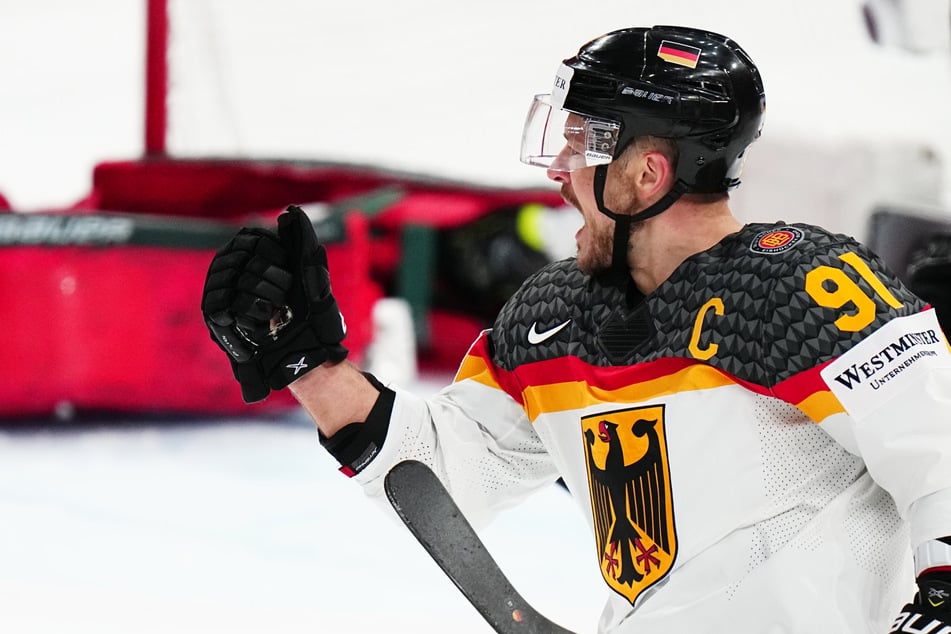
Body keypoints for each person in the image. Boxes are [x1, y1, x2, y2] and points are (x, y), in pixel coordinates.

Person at [200, 25, 951, 633]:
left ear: (649, 173)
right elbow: (443, 476)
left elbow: (937, 450)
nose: (556, 168)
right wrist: (308, 363)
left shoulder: (799, 288)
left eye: (582, 142)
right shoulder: (553, 319)